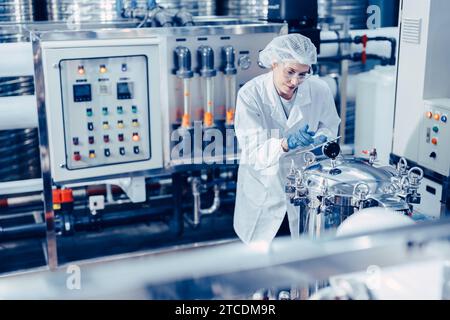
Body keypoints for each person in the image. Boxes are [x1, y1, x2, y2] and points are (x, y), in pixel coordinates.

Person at [233, 33, 341, 244]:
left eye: (302, 74)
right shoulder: (250, 95)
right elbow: (253, 152)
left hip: (304, 190)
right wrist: (285, 143)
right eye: (290, 72)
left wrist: (321, 139)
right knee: (263, 259)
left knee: (300, 252)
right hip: (264, 191)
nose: (295, 81)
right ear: (275, 63)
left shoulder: (319, 89)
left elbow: (330, 125)